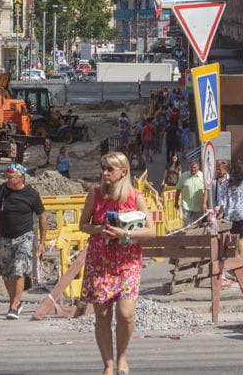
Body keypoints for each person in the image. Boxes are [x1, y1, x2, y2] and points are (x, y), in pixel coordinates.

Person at [78, 151, 155, 375]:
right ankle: (108, 365)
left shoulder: (135, 196)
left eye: (110, 169)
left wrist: (125, 234)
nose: (104, 173)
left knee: (126, 314)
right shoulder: (95, 195)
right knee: (102, 315)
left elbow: (151, 231)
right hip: (100, 261)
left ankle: (122, 357)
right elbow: (83, 224)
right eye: (103, 168)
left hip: (127, 261)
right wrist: (99, 229)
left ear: (123, 172)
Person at [0, 163, 47, 320]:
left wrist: (42, 242)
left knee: (19, 269)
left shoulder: (32, 194)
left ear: (20, 177)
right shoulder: (0, 191)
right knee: (6, 273)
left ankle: (13, 306)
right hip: (3, 236)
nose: (6, 180)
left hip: (24, 236)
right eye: (5, 177)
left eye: (10, 177)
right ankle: (15, 301)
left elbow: (42, 216)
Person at [218, 159, 243, 259]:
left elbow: (222, 201)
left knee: (232, 237)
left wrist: (220, 214)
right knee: (242, 237)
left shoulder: (226, 183)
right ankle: (240, 261)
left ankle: (234, 259)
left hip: (231, 214)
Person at [175, 159, 208, 228]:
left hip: (198, 206)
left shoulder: (203, 176)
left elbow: (206, 190)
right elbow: (178, 189)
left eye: (195, 167)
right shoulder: (183, 176)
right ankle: (187, 238)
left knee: (197, 226)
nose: (193, 169)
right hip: (186, 206)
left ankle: (196, 238)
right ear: (189, 167)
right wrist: (176, 202)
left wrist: (204, 203)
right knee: (187, 226)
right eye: (191, 167)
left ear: (198, 167)